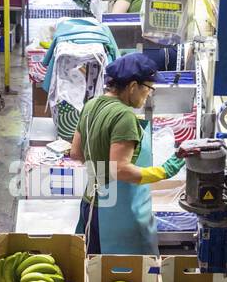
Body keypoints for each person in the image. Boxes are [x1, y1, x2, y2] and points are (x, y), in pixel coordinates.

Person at [69, 52, 184, 254]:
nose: (149, 93)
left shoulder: (91, 105)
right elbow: (120, 170)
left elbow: (76, 153)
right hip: (117, 216)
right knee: (127, 277)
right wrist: (164, 172)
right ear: (132, 86)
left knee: (94, 274)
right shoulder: (124, 116)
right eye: (148, 88)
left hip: (90, 206)